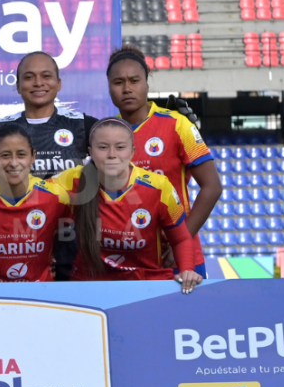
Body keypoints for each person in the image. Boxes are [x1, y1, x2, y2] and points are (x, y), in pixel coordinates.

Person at [106, 45, 222, 280]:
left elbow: (212, 187)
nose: (127, 88)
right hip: (126, 260)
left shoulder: (178, 124)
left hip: (178, 259)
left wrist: (182, 239)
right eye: (118, 82)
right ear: (109, 87)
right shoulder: (104, 132)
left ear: (147, 84)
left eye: (134, 80)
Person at [55, 118, 201, 293]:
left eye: (120, 147)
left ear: (132, 152)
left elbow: (181, 239)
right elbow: (34, 199)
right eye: (103, 147)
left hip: (147, 284)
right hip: (90, 285)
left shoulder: (159, 187)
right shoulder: (72, 180)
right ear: (90, 152)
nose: (111, 154)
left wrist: (187, 271)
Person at [0, 123, 72, 282]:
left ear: (33, 156)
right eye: (5, 155)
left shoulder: (57, 196)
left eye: (21, 154)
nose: (14, 162)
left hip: (41, 293)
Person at [0, 51, 98, 179]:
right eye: (29, 77)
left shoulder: (85, 125)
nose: (38, 83)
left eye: (46, 76)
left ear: (58, 84)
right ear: (18, 86)